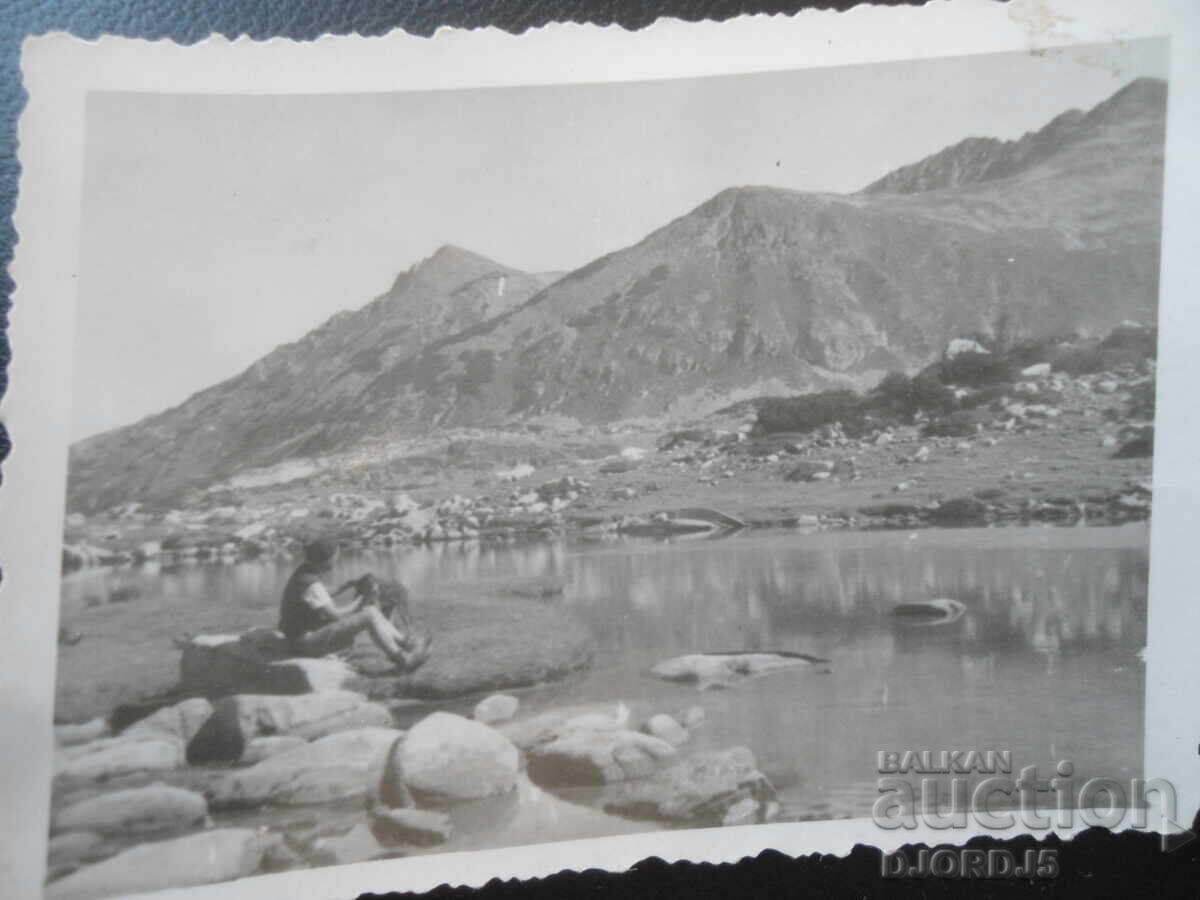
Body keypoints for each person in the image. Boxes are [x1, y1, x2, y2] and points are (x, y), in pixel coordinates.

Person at [278, 539, 430, 672]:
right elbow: (335, 615)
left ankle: (406, 645)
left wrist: (346, 585)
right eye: (335, 557)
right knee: (369, 614)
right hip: (306, 643)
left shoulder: (304, 573)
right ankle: (404, 660)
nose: (337, 560)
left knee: (370, 611)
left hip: (299, 638)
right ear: (326, 560)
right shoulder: (311, 584)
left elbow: (320, 596)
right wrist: (362, 599)